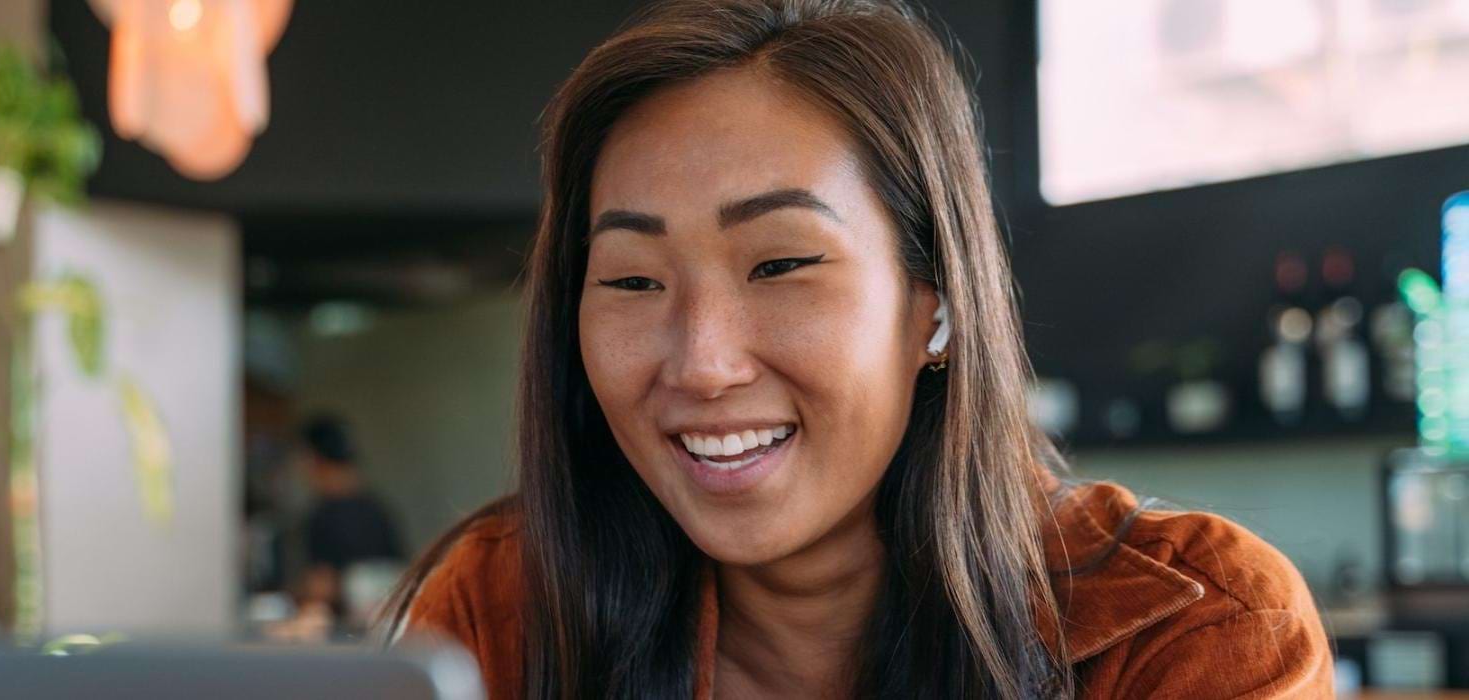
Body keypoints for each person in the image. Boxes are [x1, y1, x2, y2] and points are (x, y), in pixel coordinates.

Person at [382, 1, 1331, 697]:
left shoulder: (1196, 631)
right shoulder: (498, 614)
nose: (703, 363)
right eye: (633, 280)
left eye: (782, 264)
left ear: (938, 304)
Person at [293, 416, 404, 630]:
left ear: (312, 459)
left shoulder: (324, 516)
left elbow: (321, 588)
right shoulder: (380, 510)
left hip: (345, 636)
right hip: (385, 634)